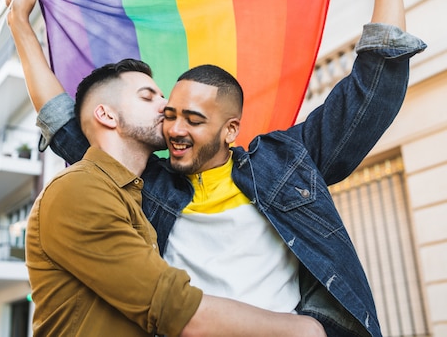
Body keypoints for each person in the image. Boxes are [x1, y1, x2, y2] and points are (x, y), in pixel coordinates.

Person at [6, 0, 426, 336]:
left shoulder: (286, 161)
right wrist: (22, 28)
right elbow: (64, 120)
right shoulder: (144, 185)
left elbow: (372, 92)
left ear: (230, 130)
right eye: (169, 114)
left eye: (193, 119)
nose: (174, 128)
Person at [23, 58, 326, 336]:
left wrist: (21, 25)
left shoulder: (134, 195)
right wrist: (302, 329)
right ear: (106, 115)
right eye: (148, 96)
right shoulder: (79, 190)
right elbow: (173, 308)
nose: (166, 106)